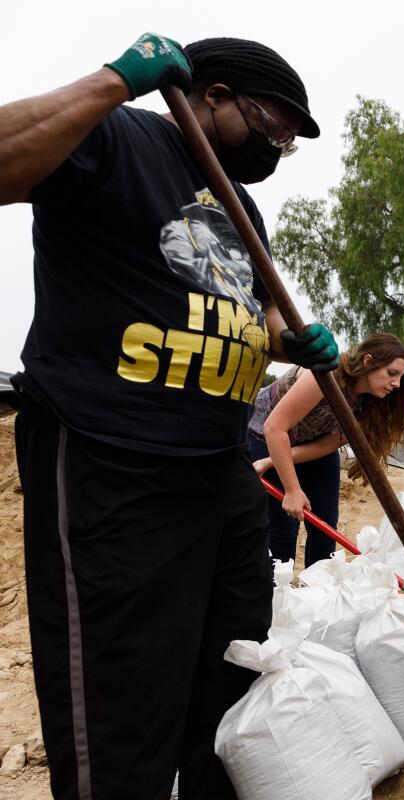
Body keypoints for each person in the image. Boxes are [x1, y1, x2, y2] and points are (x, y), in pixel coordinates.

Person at [1, 34, 338, 799]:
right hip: (111, 455)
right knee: (124, 693)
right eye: (271, 126)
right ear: (211, 96)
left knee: (231, 661)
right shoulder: (117, 138)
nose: (277, 148)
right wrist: (112, 83)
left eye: (288, 141)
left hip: (213, 468)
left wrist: (290, 339)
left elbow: (233, 307)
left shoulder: (236, 199)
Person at [249, 333, 404, 565]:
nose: (396, 384)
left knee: (325, 527)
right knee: (283, 527)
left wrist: (269, 463)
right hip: (267, 438)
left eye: (400, 377)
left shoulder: (370, 405)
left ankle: (317, 594)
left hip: (309, 446)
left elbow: (327, 444)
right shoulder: (326, 375)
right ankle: (277, 594)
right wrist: (292, 489)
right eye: (392, 373)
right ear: (368, 361)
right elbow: (275, 428)